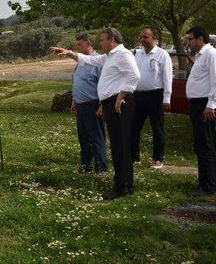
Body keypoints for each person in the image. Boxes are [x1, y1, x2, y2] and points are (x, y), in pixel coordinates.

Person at [51, 28, 140, 200]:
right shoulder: (108, 57)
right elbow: (89, 60)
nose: (100, 43)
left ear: (112, 40)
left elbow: (135, 76)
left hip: (118, 103)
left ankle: (123, 186)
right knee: (117, 146)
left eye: (102, 40)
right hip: (111, 103)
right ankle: (122, 184)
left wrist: (121, 95)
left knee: (121, 146)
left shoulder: (123, 54)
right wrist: (68, 52)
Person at [130, 28, 173, 168]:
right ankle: (133, 157)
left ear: (153, 37)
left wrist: (167, 98)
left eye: (145, 37)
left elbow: (167, 78)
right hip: (138, 95)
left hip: (155, 95)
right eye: (141, 37)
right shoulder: (138, 54)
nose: (142, 39)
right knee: (134, 127)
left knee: (157, 128)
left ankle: (158, 158)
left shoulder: (162, 55)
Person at [185, 26, 216, 196]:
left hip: (205, 104)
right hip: (198, 104)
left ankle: (208, 186)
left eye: (190, 39)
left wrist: (211, 104)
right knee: (201, 144)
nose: (188, 42)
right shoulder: (200, 55)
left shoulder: (211, 54)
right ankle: (205, 181)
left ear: (200, 39)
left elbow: (215, 81)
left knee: (205, 144)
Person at [71, 34, 107, 174]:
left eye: (80, 44)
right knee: (84, 137)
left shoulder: (98, 62)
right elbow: (77, 81)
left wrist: (102, 105)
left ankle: (101, 167)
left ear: (88, 44)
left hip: (93, 105)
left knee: (96, 137)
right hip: (80, 105)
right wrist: (74, 100)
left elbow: (103, 85)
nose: (77, 47)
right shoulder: (80, 62)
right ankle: (86, 164)